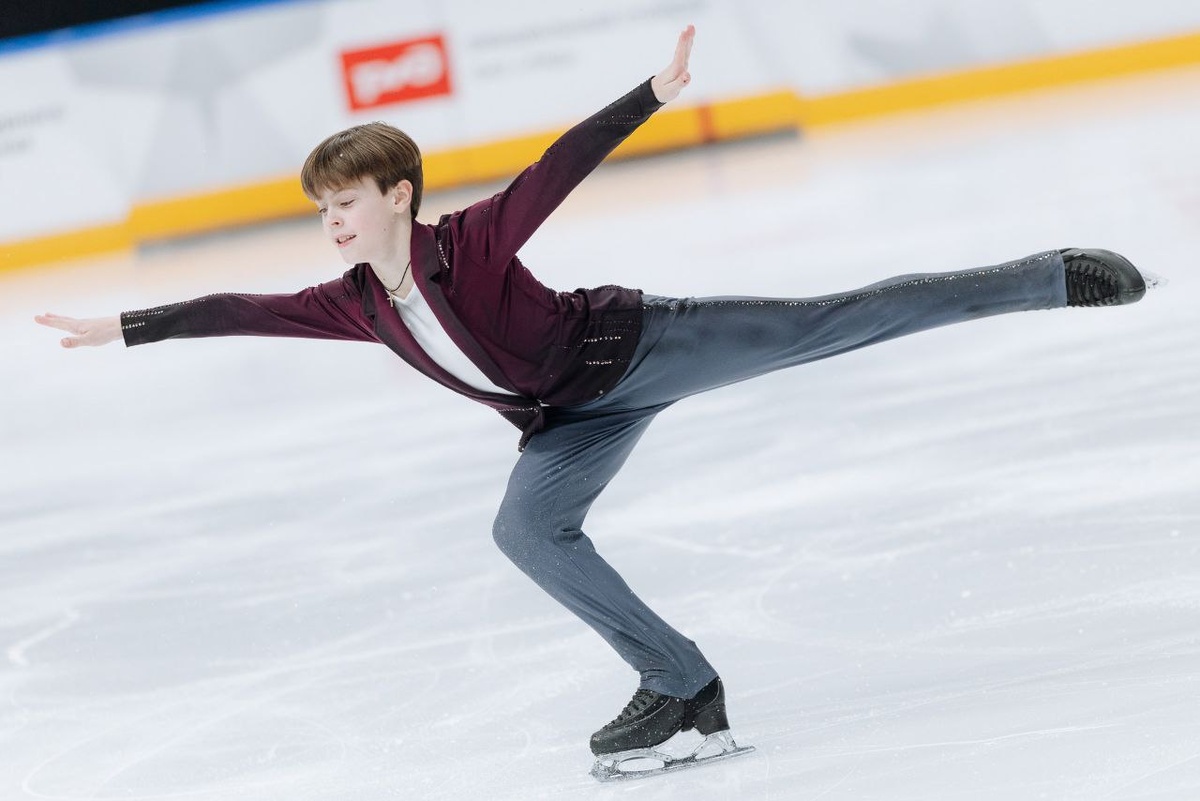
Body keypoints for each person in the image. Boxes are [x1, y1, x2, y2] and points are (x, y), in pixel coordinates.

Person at [36, 25, 1148, 778]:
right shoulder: (354, 303)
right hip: (566, 422)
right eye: (322, 207)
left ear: (399, 197)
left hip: (638, 349)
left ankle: (1047, 276)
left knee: (832, 320)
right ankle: (682, 686)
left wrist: (650, 97)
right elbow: (241, 306)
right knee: (526, 530)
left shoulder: (471, 242)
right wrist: (127, 326)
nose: (331, 221)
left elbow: (555, 169)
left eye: (346, 202)